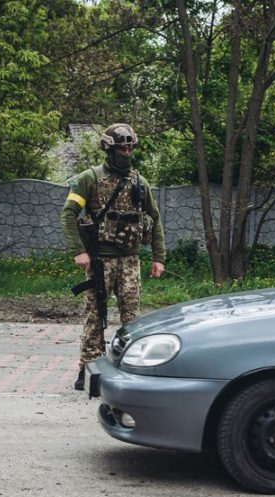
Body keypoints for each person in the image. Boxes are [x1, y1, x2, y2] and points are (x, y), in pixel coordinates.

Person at [61, 123, 166, 390]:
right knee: (95, 317)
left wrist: (158, 257)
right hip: (100, 261)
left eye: (130, 146)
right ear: (109, 148)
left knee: (132, 320)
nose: (127, 151)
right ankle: (88, 371)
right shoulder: (89, 178)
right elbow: (69, 214)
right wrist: (79, 251)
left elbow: (154, 219)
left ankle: (130, 371)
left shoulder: (139, 181)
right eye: (122, 147)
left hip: (130, 261)